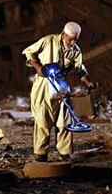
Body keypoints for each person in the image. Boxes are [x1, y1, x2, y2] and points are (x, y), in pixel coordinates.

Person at [22, 22, 98, 162]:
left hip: (61, 85)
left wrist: (88, 81)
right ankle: (41, 153)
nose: (73, 41)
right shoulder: (48, 41)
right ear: (63, 34)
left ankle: (64, 152)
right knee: (43, 120)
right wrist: (38, 67)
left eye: (76, 39)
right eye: (70, 38)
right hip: (44, 85)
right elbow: (28, 51)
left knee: (65, 121)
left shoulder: (75, 50)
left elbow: (80, 67)